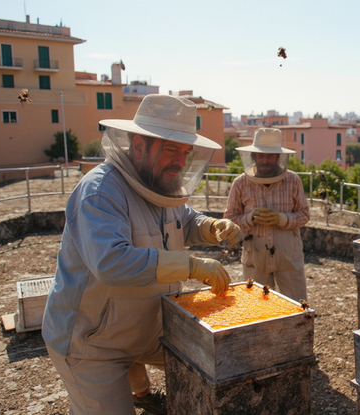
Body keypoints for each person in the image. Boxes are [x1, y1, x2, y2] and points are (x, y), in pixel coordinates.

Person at [42, 94, 243, 415]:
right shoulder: (99, 192)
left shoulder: (158, 182)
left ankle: (146, 393)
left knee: (217, 365)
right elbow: (112, 262)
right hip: (92, 343)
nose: (181, 161)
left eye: (185, 152)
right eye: (171, 149)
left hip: (148, 330)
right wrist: (191, 265)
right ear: (138, 146)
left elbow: (183, 219)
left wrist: (210, 226)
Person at [224, 127, 310, 301]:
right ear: (253, 156)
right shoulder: (240, 183)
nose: (264, 160)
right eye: (260, 155)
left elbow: (304, 214)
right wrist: (250, 218)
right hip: (255, 257)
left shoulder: (293, 180)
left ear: (278, 156)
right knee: (258, 307)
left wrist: (283, 219)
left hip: (289, 256)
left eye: (270, 156)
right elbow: (229, 219)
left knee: (296, 305)